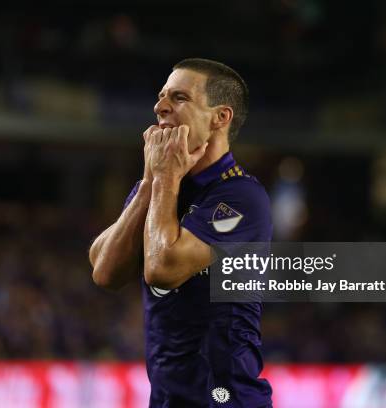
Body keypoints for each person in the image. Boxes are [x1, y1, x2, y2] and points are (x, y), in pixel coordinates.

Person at [89, 58, 273, 408]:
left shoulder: (241, 197)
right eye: (161, 96)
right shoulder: (160, 185)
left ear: (220, 117)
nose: (160, 107)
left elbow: (163, 269)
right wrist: (148, 183)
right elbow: (105, 272)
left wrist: (165, 181)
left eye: (179, 98)